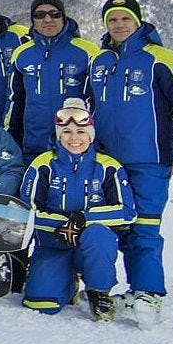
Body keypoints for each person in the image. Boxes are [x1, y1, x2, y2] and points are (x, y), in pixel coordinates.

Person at [88, 0, 173, 319]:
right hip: (107, 163)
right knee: (111, 226)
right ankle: (107, 288)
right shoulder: (99, 62)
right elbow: (87, 109)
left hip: (150, 160)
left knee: (144, 228)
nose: (119, 24)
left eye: (126, 18)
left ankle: (148, 293)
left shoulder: (162, 60)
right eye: (112, 19)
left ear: (138, 21)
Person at [19, 98, 135, 321]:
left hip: (89, 244)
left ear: (90, 135)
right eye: (67, 132)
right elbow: (27, 210)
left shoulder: (108, 167)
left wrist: (83, 219)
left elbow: (127, 212)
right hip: (53, 244)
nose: (74, 138)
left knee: (99, 235)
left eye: (81, 132)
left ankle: (98, 291)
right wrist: (61, 225)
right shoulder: (43, 164)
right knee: (40, 304)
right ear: (58, 135)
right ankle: (67, 282)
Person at [7, 0, 97, 160]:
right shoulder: (21, 54)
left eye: (55, 14)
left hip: (76, 146)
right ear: (33, 20)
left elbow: (97, 101)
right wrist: (11, 137)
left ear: (63, 17)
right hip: (34, 146)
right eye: (39, 15)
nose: (48, 19)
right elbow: (16, 100)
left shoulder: (87, 52)